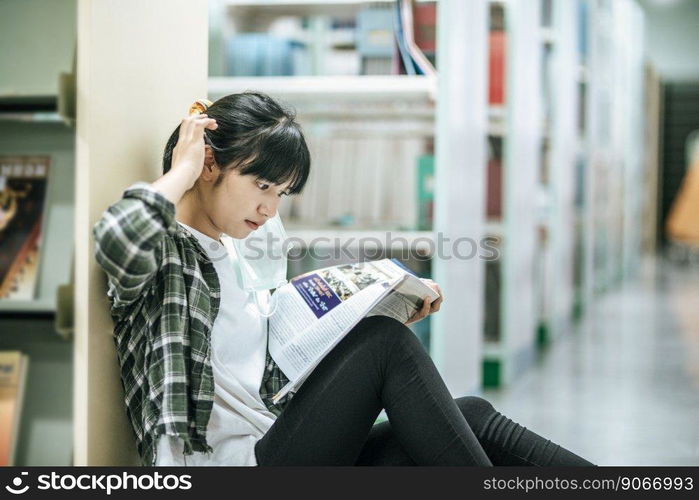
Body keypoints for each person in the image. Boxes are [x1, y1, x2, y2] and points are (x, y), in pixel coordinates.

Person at [92, 92, 594, 467]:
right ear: (208, 166)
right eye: (261, 185)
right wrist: (181, 169)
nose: (270, 208)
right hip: (231, 469)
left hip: (278, 442)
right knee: (385, 346)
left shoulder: (235, 253)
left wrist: (372, 306)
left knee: (474, 414)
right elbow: (116, 238)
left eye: (282, 192)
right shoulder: (167, 255)